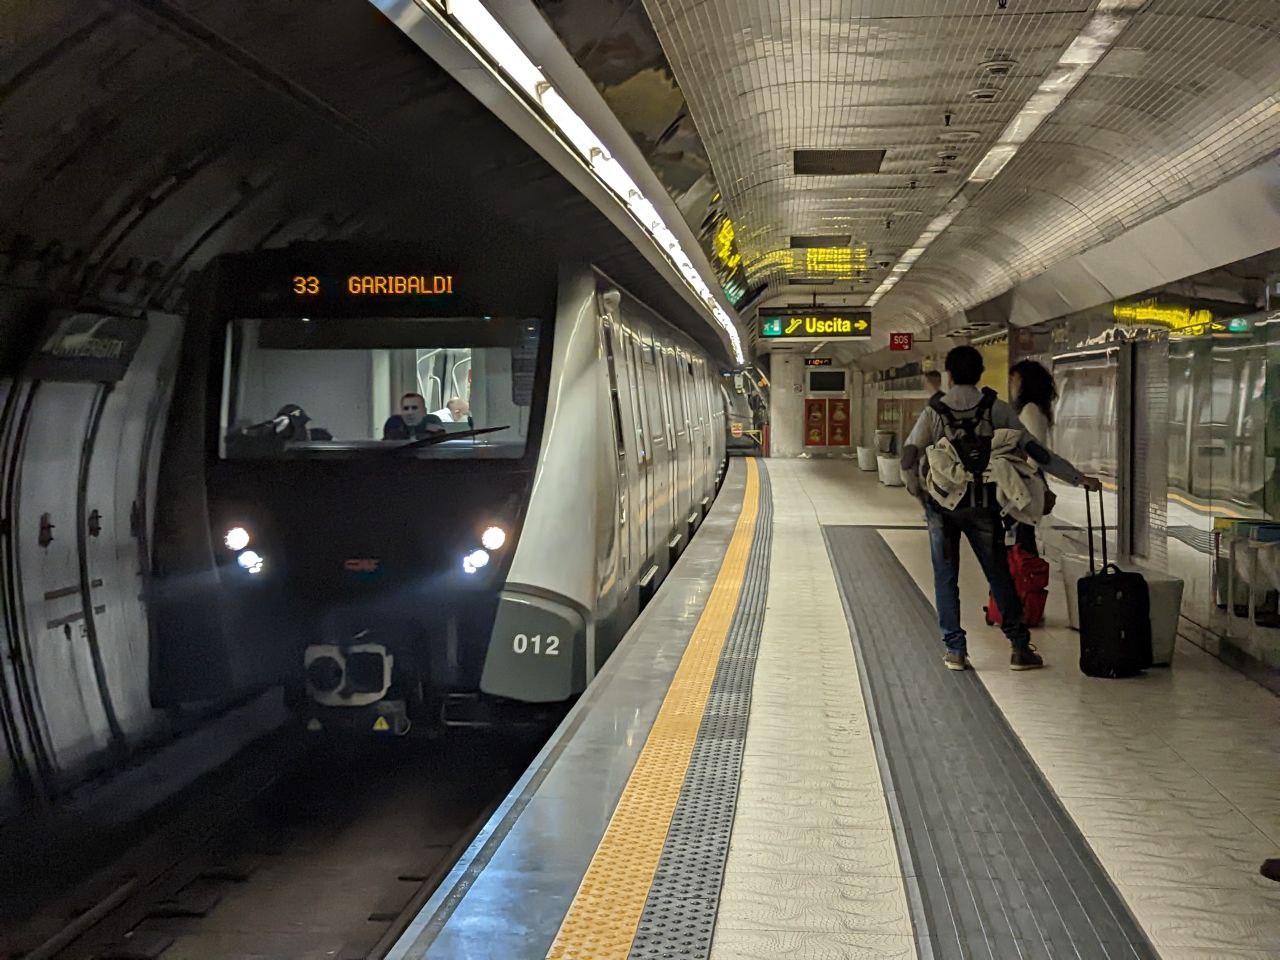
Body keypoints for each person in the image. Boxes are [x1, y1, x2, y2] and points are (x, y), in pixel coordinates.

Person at [902, 346, 1100, 672]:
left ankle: (955, 651)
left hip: (942, 507)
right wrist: (1078, 478)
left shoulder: (934, 411)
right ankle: (1020, 648)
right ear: (980, 374)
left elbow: (910, 456)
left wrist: (919, 492)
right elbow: (1036, 450)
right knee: (998, 574)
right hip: (984, 504)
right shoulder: (997, 408)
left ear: (949, 375)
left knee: (945, 577)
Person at [1008, 359, 1059, 555]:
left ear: (1025, 382)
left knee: (1023, 538)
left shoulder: (1030, 409)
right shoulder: (1035, 408)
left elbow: (1034, 451)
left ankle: (1025, 579)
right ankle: (1025, 579)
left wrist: (1019, 482)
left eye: (1015, 379)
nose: (1012, 384)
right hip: (1028, 479)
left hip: (1026, 481)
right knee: (1024, 536)